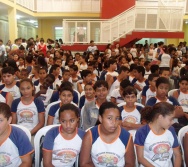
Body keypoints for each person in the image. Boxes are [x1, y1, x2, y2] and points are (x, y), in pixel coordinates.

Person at [80, 102, 135, 167]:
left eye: (117, 118)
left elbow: (130, 164)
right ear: (100, 118)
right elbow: (84, 163)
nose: (114, 122)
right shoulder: (90, 135)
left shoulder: (126, 136)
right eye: (109, 118)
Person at [134, 102, 182, 167]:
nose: (172, 122)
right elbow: (140, 158)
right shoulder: (142, 132)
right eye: (171, 119)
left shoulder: (171, 130)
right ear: (160, 117)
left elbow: (177, 155)